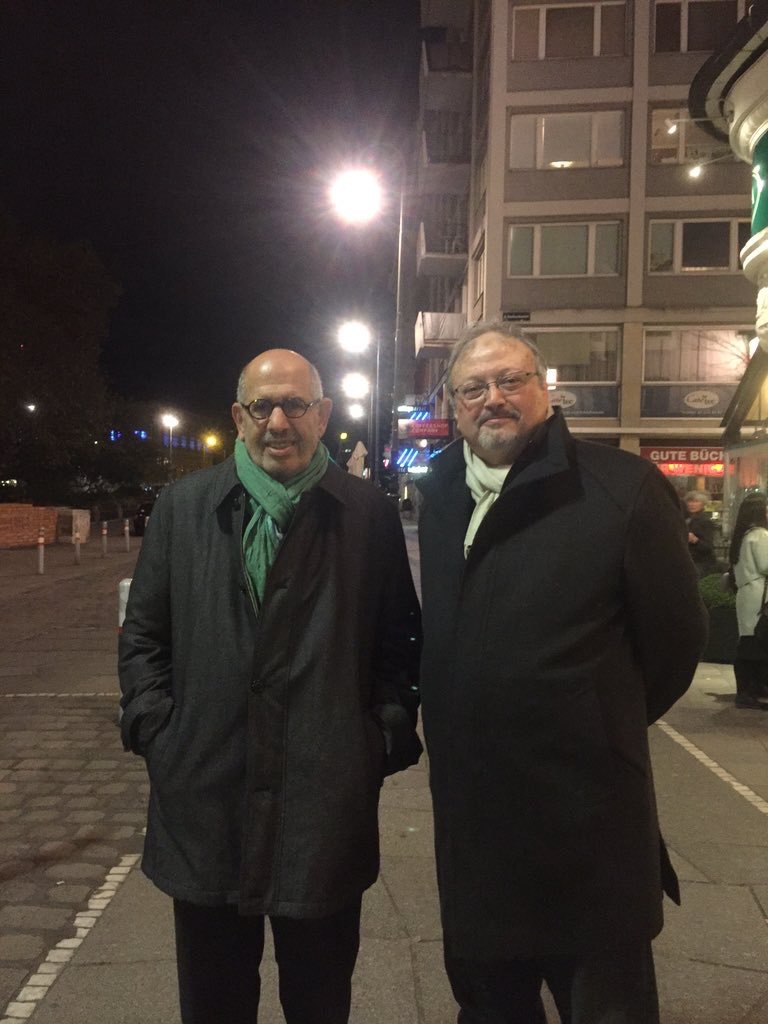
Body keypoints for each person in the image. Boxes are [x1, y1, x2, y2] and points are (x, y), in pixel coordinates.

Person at [119, 349, 422, 1024]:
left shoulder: (364, 512)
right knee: (214, 1003)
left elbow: (398, 639)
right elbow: (143, 637)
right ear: (238, 417)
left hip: (324, 809)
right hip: (206, 802)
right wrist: (159, 733)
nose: (279, 421)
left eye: (296, 405)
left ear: (325, 416)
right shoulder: (186, 508)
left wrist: (379, 738)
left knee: (319, 1002)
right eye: (262, 406)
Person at [416, 322, 708, 1024]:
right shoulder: (442, 491)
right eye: (474, 388)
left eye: (511, 380)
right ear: (455, 406)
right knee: (491, 1007)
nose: (494, 399)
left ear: (544, 389)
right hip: (476, 833)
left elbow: (675, 646)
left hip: (589, 831)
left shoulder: (622, 488)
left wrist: (591, 721)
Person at [728, 492, 768, 710]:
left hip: (747, 594)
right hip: (759, 595)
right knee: (756, 643)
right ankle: (748, 690)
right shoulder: (761, 535)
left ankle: (749, 689)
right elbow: (766, 565)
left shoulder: (744, 536)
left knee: (748, 641)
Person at [684, 490, 718, 577]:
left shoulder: (705, 521)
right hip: (688, 561)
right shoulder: (685, 518)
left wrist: (695, 540)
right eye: (690, 501)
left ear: (703, 504)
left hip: (701, 563)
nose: (692, 504)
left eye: (696, 501)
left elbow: (708, 546)